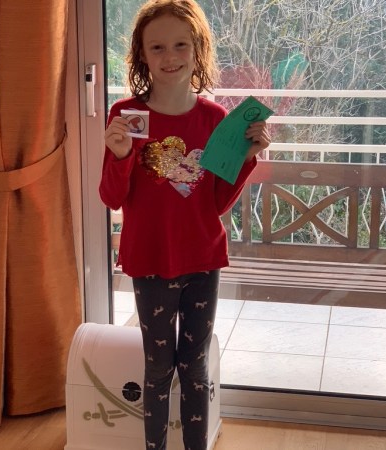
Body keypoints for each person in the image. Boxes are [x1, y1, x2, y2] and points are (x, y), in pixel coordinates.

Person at [99, 1, 271, 449]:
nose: (170, 56)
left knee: (195, 367)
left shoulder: (215, 120)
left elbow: (216, 204)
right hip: (149, 259)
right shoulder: (127, 116)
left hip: (202, 259)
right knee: (157, 368)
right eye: (157, 47)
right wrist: (121, 157)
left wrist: (247, 160)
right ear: (141, 54)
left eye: (180, 45)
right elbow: (112, 197)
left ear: (198, 51)